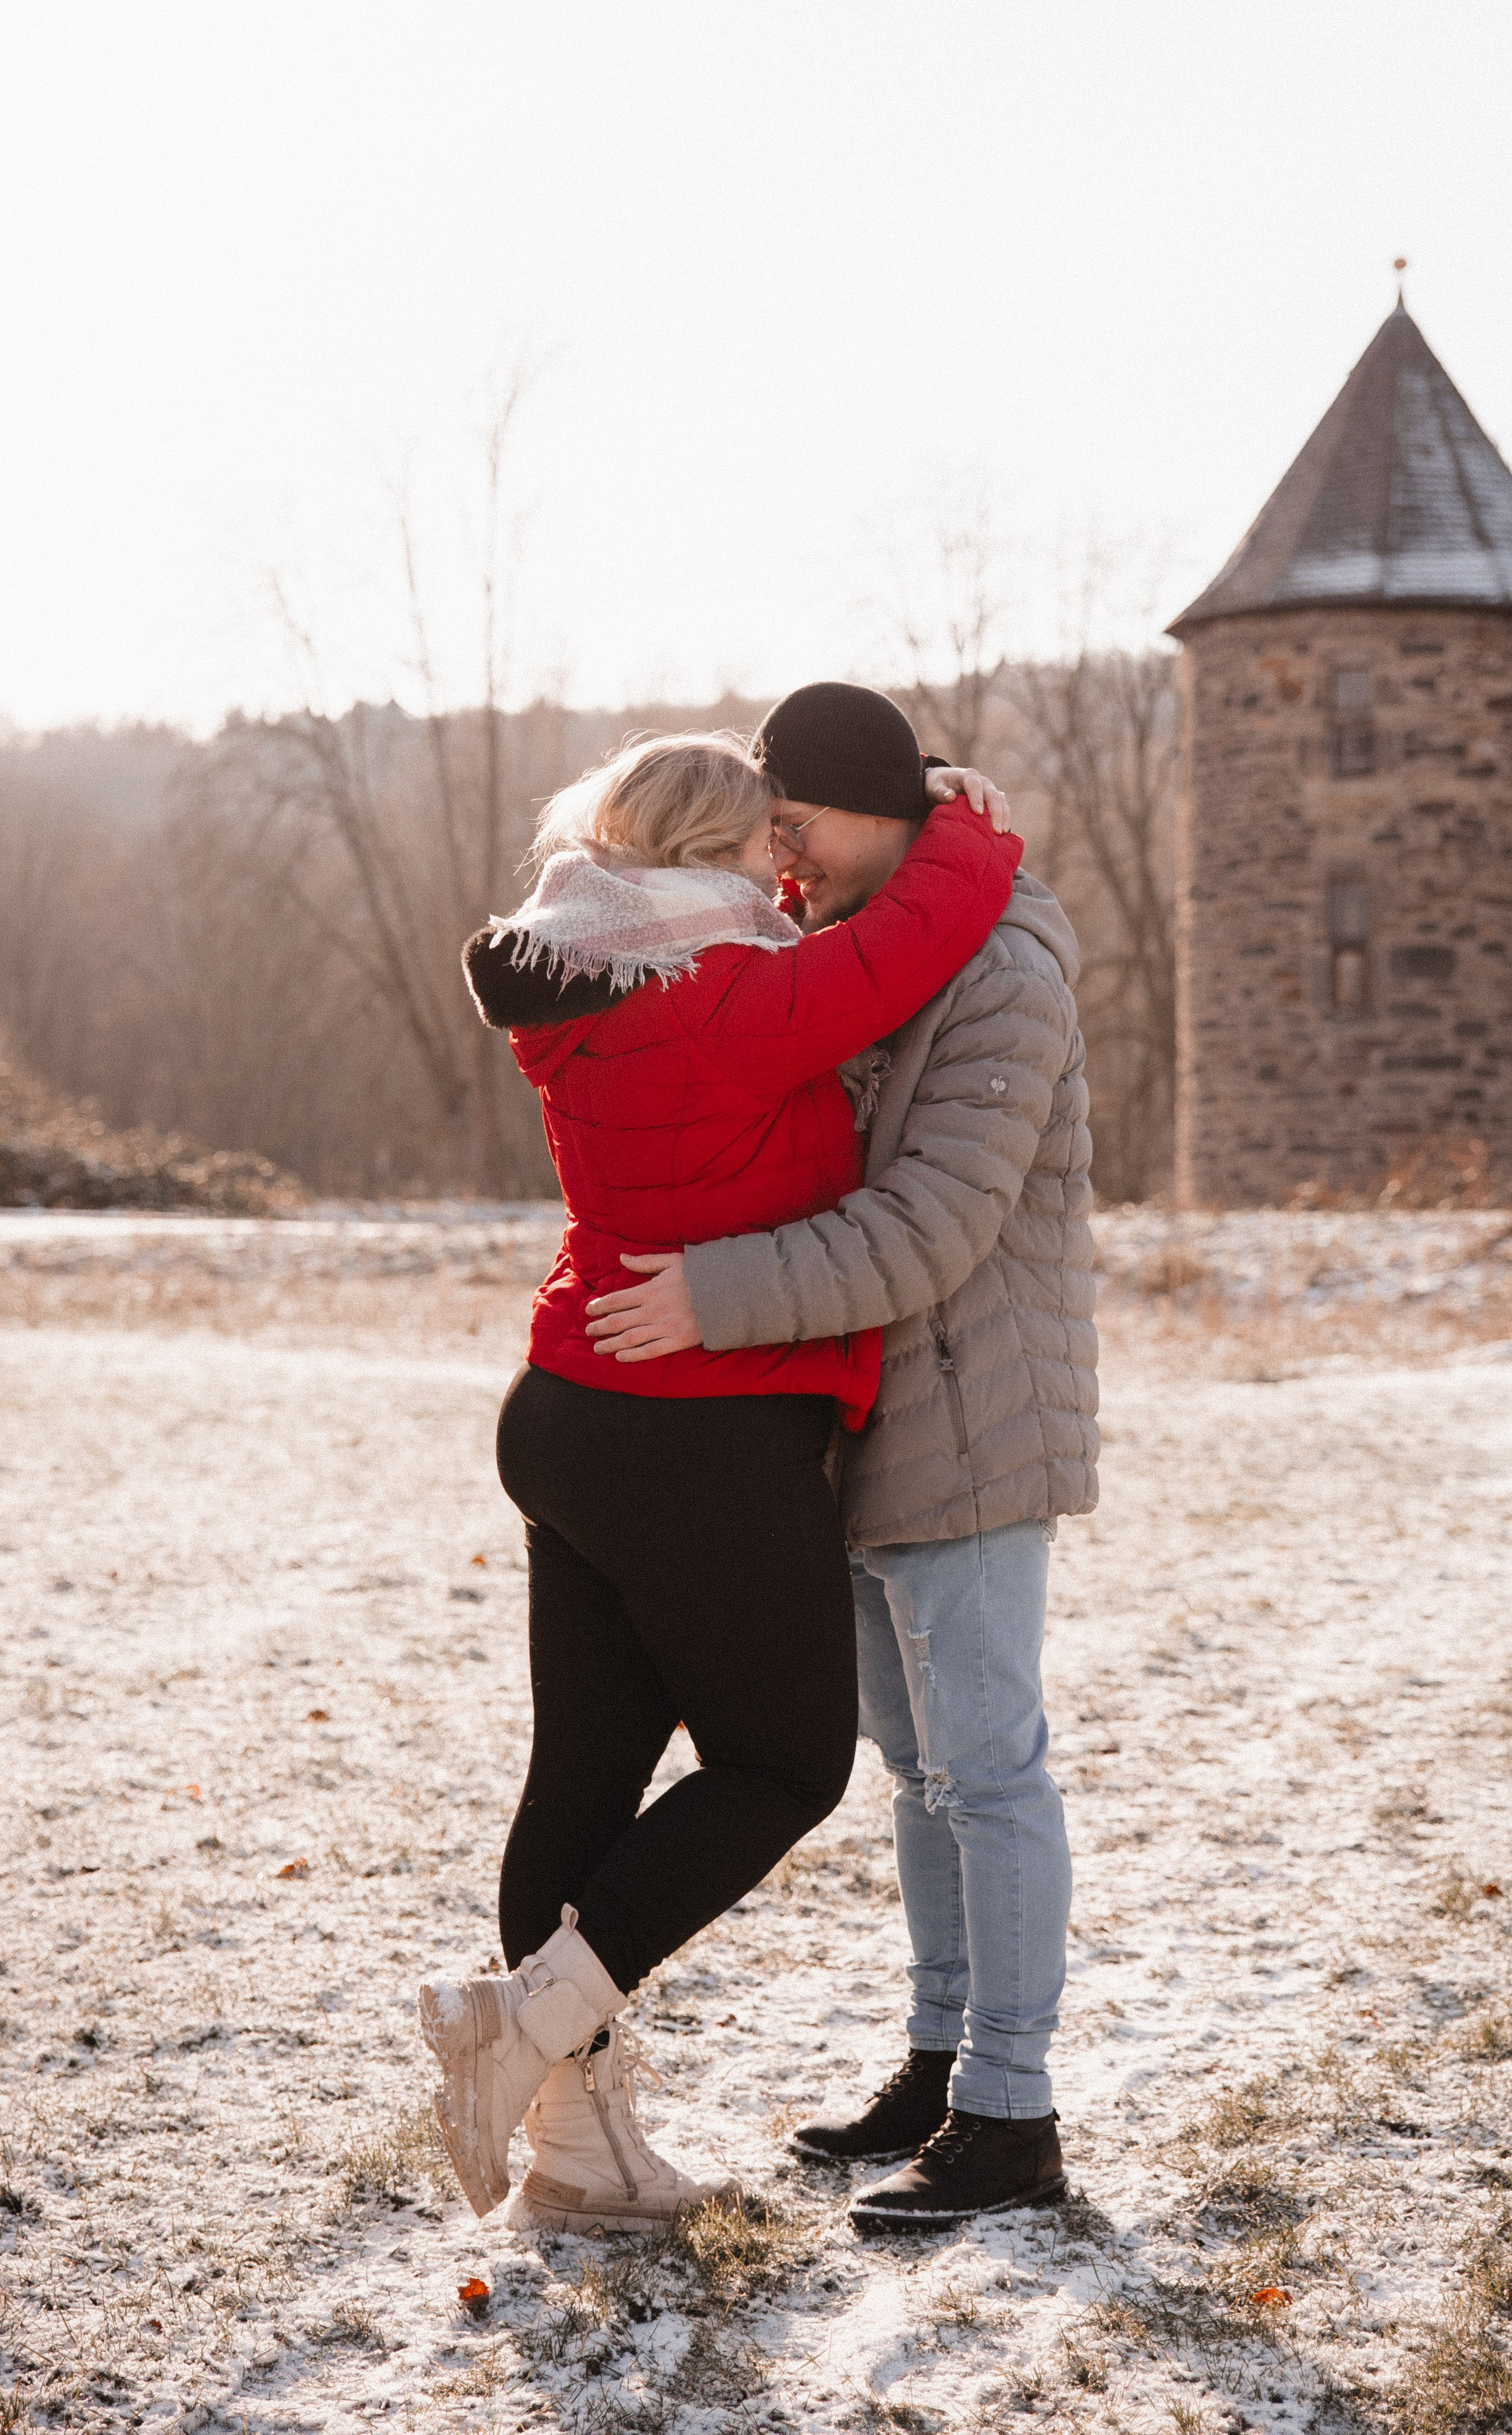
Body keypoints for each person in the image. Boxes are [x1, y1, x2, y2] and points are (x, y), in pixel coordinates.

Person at [419, 729, 1019, 2235]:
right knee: (783, 1765)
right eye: (767, 842)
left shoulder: (578, 977)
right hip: (696, 1434)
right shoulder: (732, 1001)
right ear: (715, 856)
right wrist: (955, 816)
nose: (786, 868)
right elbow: (922, 932)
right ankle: (523, 2019)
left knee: (583, 1776)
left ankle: (575, 2155)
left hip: (569, 1414)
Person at [587, 682, 1098, 2232]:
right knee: (918, 1773)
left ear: (878, 809)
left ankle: (1012, 2115)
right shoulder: (848, 945)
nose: (779, 849)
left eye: (796, 817)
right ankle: (939, 2064)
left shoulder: (1004, 975)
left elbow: (930, 1224)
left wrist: (714, 1296)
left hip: (973, 1420)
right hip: (860, 1427)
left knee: (988, 1771)